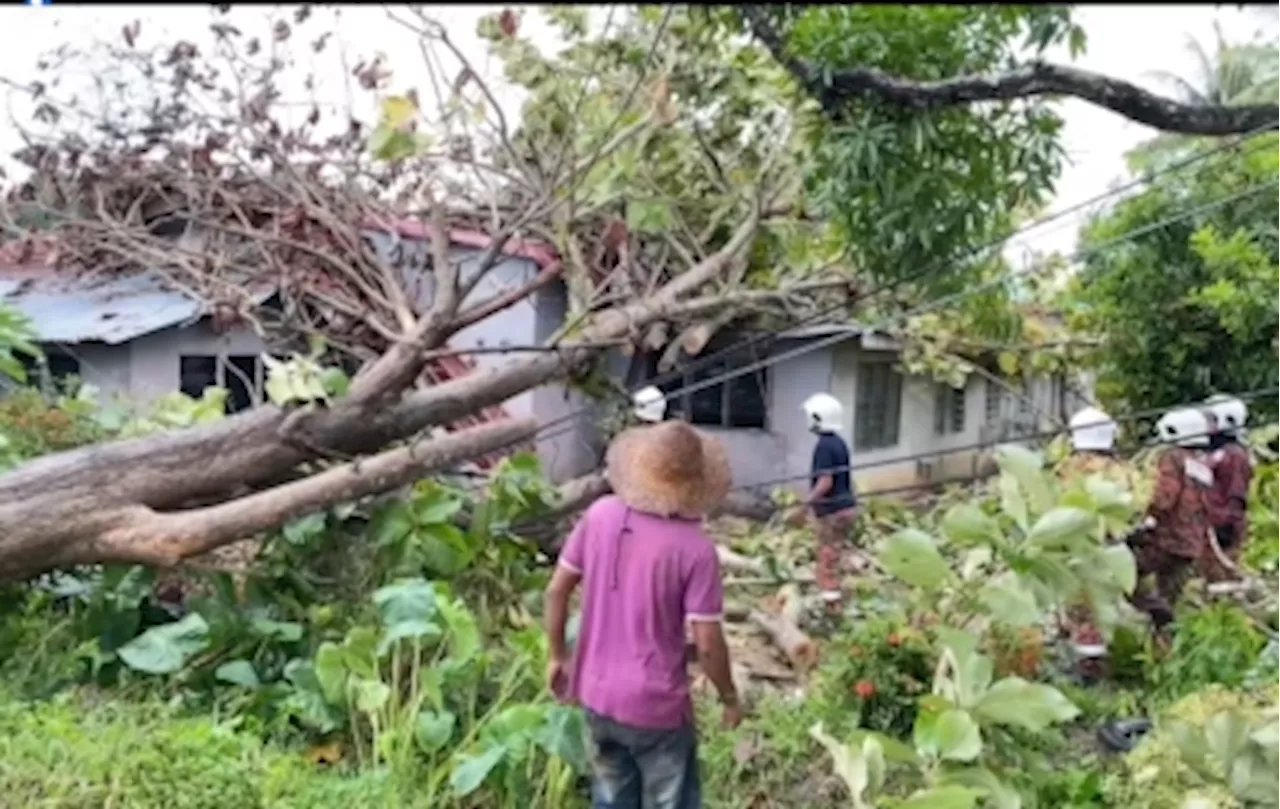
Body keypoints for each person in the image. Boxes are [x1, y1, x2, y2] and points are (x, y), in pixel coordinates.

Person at [544, 419, 740, 809]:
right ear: (695, 487)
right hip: (657, 707)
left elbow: (555, 591)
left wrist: (556, 655)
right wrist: (729, 696)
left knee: (611, 798)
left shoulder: (599, 516)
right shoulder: (695, 550)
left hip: (597, 696)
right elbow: (708, 643)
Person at [1129, 407, 1215, 642]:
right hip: (1190, 545)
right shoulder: (1203, 464)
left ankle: (1154, 609)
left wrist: (1141, 516)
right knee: (1171, 600)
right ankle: (1164, 654)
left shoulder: (1173, 459)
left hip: (1165, 541)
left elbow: (1164, 499)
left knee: (1121, 574)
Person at [1057, 406, 1130, 678]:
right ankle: (1095, 666)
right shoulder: (1118, 470)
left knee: (1079, 608)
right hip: (1109, 550)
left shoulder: (1067, 468)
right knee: (1099, 607)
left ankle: (1086, 669)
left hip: (1074, 547)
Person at [794, 392, 858, 608]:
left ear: (817, 418)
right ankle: (837, 599)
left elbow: (825, 481)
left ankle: (829, 605)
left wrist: (807, 502)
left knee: (826, 559)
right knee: (836, 556)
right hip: (846, 507)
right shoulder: (839, 443)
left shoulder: (824, 446)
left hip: (832, 511)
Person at [1201, 394, 1252, 582]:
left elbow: (1236, 493)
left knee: (1223, 576)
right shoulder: (1211, 451)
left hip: (1223, 527)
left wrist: (1225, 524)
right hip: (1208, 525)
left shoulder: (1234, 455)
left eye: (1211, 420)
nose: (1205, 424)